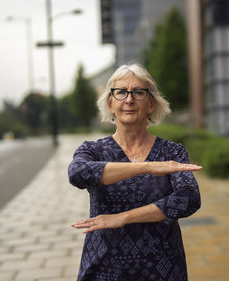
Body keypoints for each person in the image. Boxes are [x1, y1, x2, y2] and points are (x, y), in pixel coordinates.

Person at [68, 63, 202, 281]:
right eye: (120, 92)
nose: (129, 99)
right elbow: (78, 174)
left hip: (162, 269)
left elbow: (188, 199)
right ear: (110, 104)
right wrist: (146, 167)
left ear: (151, 103)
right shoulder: (92, 150)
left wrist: (123, 218)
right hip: (104, 268)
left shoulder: (172, 152)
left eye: (138, 92)